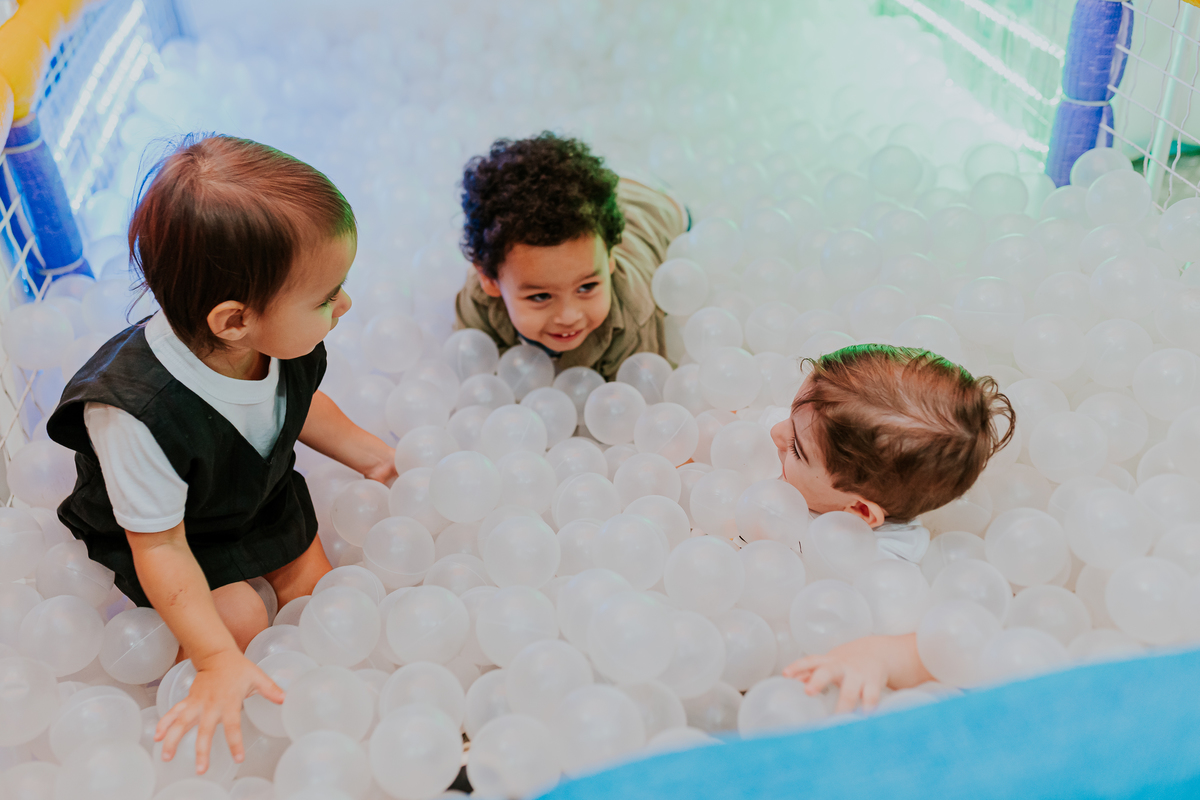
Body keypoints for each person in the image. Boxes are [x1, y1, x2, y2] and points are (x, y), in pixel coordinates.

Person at [46, 136, 396, 775]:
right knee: (235, 616)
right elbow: (160, 546)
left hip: (253, 494)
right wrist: (213, 660)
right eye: (327, 296)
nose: (344, 305)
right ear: (235, 321)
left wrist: (372, 456)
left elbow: (296, 405)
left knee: (325, 598)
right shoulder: (137, 411)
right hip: (168, 532)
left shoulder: (278, 341)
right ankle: (187, 715)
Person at [767, 344, 1015, 713]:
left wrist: (877, 656)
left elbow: (941, 647)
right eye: (790, 417)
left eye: (796, 449)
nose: (775, 432)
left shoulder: (883, 565)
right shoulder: (816, 439)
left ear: (859, 510)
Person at [454, 132, 688, 380]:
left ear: (610, 256)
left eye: (587, 287)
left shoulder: (633, 317)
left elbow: (641, 391)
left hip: (654, 202)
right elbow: (475, 368)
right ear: (489, 280)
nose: (569, 316)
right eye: (540, 296)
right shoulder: (477, 300)